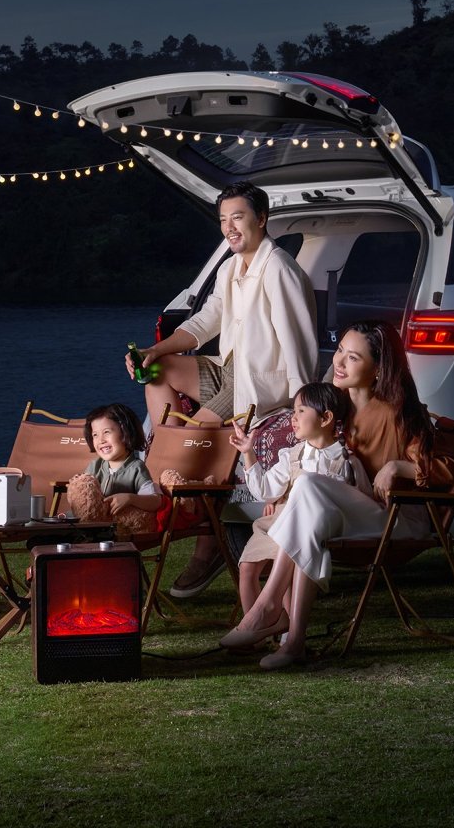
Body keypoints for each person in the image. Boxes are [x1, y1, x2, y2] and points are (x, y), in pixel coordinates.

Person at [219, 320, 454, 670]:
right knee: (309, 513)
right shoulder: (333, 407)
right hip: (345, 516)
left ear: (378, 369)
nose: (340, 363)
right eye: (340, 352)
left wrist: (399, 467)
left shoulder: (401, 412)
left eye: (353, 357)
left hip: (395, 519)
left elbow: (452, 469)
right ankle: (294, 643)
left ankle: (269, 607)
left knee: (308, 486)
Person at [127, 181, 316, 596]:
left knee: (194, 434)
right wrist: (152, 350)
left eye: (239, 217)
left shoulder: (280, 270)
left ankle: (197, 529)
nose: (230, 227)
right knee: (158, 370)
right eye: (223, 219)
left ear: (262, 219)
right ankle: (165, 464)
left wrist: (304, 409)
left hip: (262, 384)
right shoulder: (231, 268)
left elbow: (299, 343)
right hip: (229, 371)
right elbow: (202, 323)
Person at [231, 382, 365, 616]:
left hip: (312, 528)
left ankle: (288, 632)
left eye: (301, 411)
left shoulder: (346, 461)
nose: (293, 418)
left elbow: (361, 498)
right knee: (247, 568)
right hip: (277, 522)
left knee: (290, 573)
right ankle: (253, 631)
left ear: (326, 418)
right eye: (293, 411)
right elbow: (266, 490)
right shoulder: (292, 455)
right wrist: (248, 453)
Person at [63, 403, 163, 539]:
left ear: (126, 431)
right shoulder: (95, 466)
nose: (101, 440)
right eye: (95, 435)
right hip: (93, 523)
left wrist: (130, 498)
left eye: (106, 432)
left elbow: (155, 501)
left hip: (119, 529)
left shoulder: (136, 468)